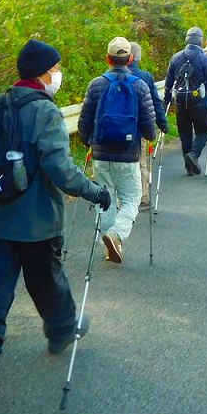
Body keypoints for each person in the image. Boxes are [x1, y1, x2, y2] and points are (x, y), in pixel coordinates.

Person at [0, 39, 110, 391]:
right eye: (56, 68)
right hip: (37, 220)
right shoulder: (45, 111)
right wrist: (94, 191)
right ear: (43, 73)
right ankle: (62, 330)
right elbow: (60, 169)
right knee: (47, 279)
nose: (58, 74)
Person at [78, 37, 158, 263]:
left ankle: (108, 240)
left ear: (108, 58)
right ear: (130, 59)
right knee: (132, 199)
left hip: (101, 153)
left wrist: (86, 141)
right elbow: (148, 125)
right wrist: (151, 136)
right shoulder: (140, 86)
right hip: (128, 154)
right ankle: (116, 235)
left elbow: (84, 120)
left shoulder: (96, 84)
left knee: (105, 198)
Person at [163, 27, 207, 175]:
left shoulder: (175, 57)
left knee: (185, 135)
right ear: (200, 40)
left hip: (181, 103)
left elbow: (169, 82)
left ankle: (189, 168)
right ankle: (193, 155)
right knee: (202, 132)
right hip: (198, 102)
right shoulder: (205, 59)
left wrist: (166, 99)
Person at [128, 41, 167, 210]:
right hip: (139, 128)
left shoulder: (110, 75)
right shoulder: (145, 77)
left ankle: (123, 198)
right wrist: (162, 123)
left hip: (115, 129)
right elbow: (155, 103)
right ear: (138, 56)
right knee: (141, 162)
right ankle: (143, 196)